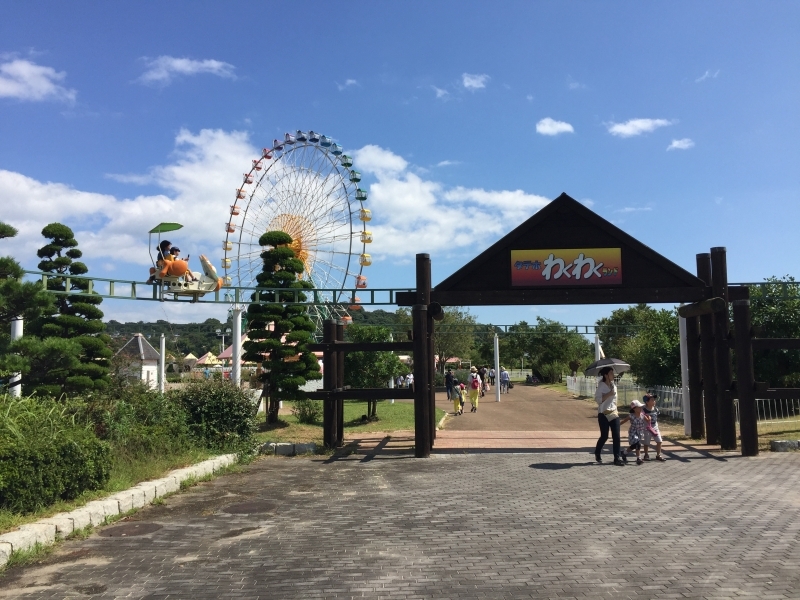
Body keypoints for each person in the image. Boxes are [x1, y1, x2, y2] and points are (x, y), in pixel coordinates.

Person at [594, 366, 624, 466]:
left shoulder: (613, 386)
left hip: (613, 413)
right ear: (606, 375)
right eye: (611, 373)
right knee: (604, 436)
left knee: (616, 436)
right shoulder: (601, 386)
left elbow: (614, 401)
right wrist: (609, 394)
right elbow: (598, 400)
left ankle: (617, 458)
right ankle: (597, 452)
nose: (613, 375)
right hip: (603, 414)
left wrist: (616, 410)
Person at [621, 400, 647, 464]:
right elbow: (623, 421)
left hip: (640, 432)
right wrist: (616, 425)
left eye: (641, 407)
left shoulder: (642, 415)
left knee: (634, 446)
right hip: (633, 432)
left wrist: (649, 419)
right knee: (638, 444)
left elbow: (648, 420)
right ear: (634, 409)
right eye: (639, 407)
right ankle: (639, 458)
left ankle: (624, 453)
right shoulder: (631, 416)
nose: (641, 409)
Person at [642, 393, 666, 461]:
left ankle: (658, 455)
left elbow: (656, 417)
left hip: (655, 427)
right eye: (652, 400)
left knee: (659, 441)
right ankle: (646, 454)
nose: (654, 401)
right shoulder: (644, 410)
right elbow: (642, 417)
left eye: (654, 400)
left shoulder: (656, 409)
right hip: (647, 428)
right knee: (647, 442)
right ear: (647, 402)